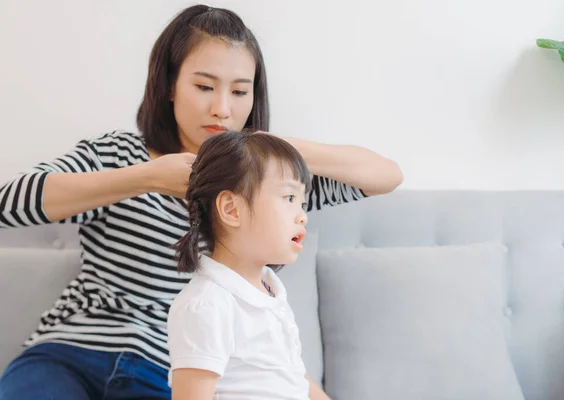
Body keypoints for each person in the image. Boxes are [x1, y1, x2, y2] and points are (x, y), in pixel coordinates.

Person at [0, 4, 403, 400]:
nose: (222, 109)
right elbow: (7, 204)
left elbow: (385, 176)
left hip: (169, 373)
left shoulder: (263, 182)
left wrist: (270, 150)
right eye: (204, 87)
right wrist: (146, 178)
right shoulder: (118, 155)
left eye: (240, 91)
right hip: (71, 350)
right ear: (169, 86)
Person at [168, 130, 328, 400]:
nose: (302, 216)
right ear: (232, 209)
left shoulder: (270, 290)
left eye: (302, 203)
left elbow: (291, 374)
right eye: (289, 198)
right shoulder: (208, 305)